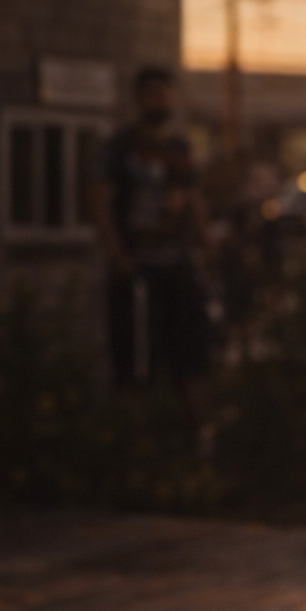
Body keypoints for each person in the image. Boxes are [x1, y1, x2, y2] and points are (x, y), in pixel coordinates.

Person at [89, 66, 214, 439]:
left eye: (165, 93)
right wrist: (119, 256)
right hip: (137, 269)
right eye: (151, 93)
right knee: (134, 360)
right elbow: (98, 201)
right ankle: (135, 444)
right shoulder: (120, 147)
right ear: (139, 99)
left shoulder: (179, 149)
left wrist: (206, 247)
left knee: (190, 356)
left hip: (176, 265)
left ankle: (197, 442)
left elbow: (192, 200)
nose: (159, 100)